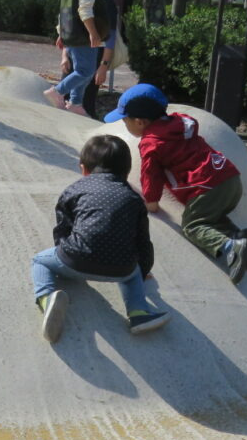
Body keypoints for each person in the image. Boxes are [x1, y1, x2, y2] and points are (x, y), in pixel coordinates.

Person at [104, 84, 247, 285]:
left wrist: (151, 202)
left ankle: (230, 248)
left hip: (206, 186)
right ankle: (239, 235)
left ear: (140, 122)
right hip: (230, 178)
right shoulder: (181, 122)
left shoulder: (151, 143)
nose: (123, 124)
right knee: (210, 218)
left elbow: (151, 174)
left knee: (192, 225)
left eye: (124, 120)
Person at [31, 134, 170, 343]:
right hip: (121, 268)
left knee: (39, 261)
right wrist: (143, 270)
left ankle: (46, 298)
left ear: (83, 168)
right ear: (126, 171)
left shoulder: (74, 190)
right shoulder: (133, 199)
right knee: (133, 274)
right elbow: (143, 242)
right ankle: (139, 313)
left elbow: (62, 229)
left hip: (75, 258)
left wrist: (67, 265)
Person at [45, 0, 116, 116]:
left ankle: (75, 102)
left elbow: (64, 11)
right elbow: (84, 10)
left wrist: (61, 33)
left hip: (74, 36)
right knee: (85, 71)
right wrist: (93, 33)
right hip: (83, 37)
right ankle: (58, 91)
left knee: (85, 69)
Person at [80, 0, 119, 119]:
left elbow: (110, 38)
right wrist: (65, 56)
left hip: (95, 57)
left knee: (86, 102)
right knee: (68, 99)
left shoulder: (106, 3)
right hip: (75, 56)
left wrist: (103, 66)